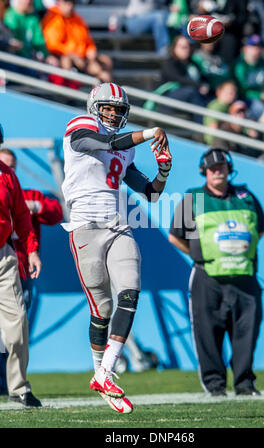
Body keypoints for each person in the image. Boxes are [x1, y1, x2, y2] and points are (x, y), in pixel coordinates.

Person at [61, 82, 172, 413]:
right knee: (102, 310)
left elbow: (150, 192)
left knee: (130, 292)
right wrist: (148, 132)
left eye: (118, 110)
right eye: (107, 108)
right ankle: (101, 374)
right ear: (95, 107)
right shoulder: (80, 125)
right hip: (84, 227)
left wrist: (164, 169)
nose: (111, 114)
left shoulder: (127, 149)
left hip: (118, 224)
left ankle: (106, 371)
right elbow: (100, 142)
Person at [169, 147, 264, 397]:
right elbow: (175, 237)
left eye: (222, 168)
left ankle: (245, 383)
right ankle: (214, 385)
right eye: (213, 169)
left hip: (244, 276)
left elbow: (261, 228)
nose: (218, 172)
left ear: (229, 170)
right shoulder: (194, 199)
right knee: (207, 333)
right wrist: (199, 255)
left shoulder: (245, 196)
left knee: (247, 332)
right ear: (205, 171)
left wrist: (238, 251)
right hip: (207, 277)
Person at [0, 123, 42, 407]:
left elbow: (22, 216)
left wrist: (32, 251)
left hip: (3, 256)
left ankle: (19, 387)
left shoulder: (7, 176)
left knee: (17, 325)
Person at [0, 148, 63, 310]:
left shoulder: (28, 196)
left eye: (12, 166)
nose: (9, 170)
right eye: (4, 165)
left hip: (21, 271)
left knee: (18, 320)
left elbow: (56, 213)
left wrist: (35, 206)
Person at [42, 0, 113, 82]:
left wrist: (91, 49)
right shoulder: (53, 18)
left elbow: (87, 40)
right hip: (63, 57)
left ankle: (100, 92)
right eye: (66, 3)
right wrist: (73, 53)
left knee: (105, 63)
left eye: (72, 3)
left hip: (82, 58)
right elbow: (53, 45)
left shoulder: (78, 19)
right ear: (59, 3)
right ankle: (68, 90)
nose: (70, 6)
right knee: (67, 61)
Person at [203, 80, 237, 145]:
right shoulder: (217, 106)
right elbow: (213, 127)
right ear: (219, 92)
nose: (233, 95)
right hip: (215, 143)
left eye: (234, 93)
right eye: (230, 93)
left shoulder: (229, 107)